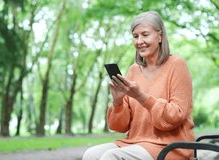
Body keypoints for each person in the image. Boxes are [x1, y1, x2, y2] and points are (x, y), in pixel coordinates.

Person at [82, 10, 195, 160]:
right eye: (135, 36)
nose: (139, 41)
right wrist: (117, 101)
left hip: (171, 146)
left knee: (112, 157)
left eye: (145, 35)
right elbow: (120, 127)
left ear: (160, 36)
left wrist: (141, 97)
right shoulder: (133, 70)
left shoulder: (176, 65)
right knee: (91, 154)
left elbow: (175, 117)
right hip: (135, 142)